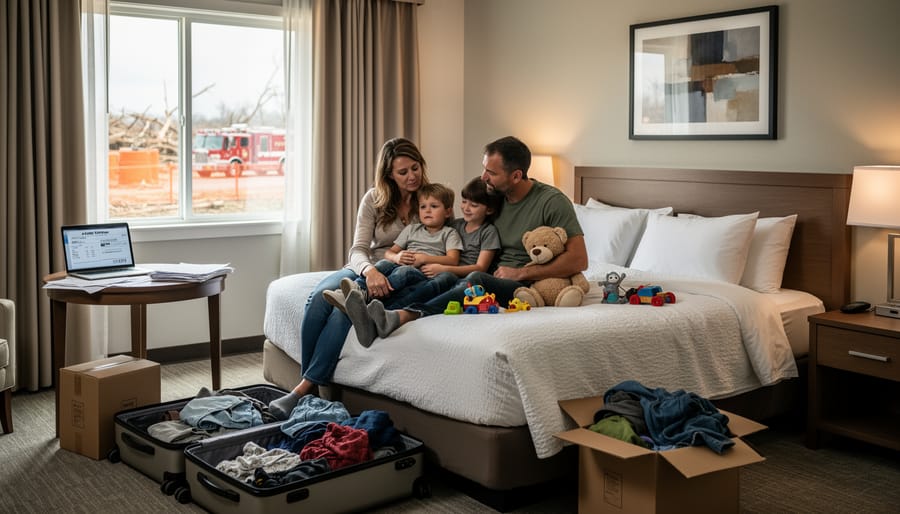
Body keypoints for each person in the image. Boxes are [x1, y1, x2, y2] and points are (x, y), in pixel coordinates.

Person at [345, 135, 587, 340]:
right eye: (484, 169)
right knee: (440, 279)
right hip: (486, 274)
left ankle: (402, 315)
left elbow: (579, 260)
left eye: (491, 172)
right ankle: (372, 312)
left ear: (515, 176)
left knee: (472, 279)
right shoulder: (492, 199)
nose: (483, 177)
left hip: (522, 283)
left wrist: (522, 273)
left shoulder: (552, 202)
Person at [268, 137, 431, 419]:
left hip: (401, 273)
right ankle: (313, 387)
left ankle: (301, 391)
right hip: (366, 267)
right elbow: (357, 249)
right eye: (402, 172)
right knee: (320, 298)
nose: (411, 176)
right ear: (389, 175)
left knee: (343, 310)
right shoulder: (374, 199)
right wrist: (369, 271)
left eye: (415, 168)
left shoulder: (432, 198)